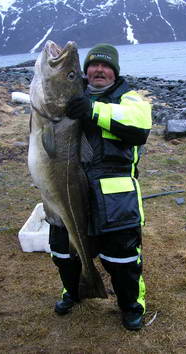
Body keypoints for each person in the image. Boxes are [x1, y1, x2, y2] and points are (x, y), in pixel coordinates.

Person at [49, 43, 152, 331]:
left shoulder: (129, 98)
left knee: (123, 259)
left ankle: (131, 305)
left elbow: (140, 126)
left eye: (106, 66)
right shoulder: (70, 94)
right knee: (63, 252)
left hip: (115, 197)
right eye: (94, 65)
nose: (99, 70)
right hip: (68, 190)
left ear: (115, 71)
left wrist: (93, 110)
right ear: (86, 70)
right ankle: (73, 290)